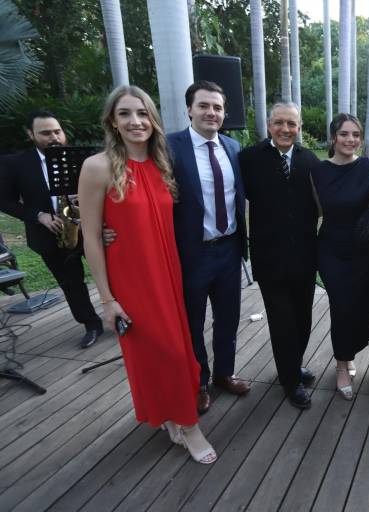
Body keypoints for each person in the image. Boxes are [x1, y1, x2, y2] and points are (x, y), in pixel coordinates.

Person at [78, 85, 216, 464]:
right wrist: (107, 298)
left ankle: (171, 416)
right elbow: (91, 236)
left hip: (170, 273)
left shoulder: (162, 164)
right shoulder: (97, 167)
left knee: (177, 350)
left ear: (153, 120)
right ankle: (189, 426)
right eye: (125, 114)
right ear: (112, 121)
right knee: (166, 353)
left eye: (142, 113)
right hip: (134, 280)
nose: (135, 121)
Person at [166, 81, 250, 414]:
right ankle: (199, 382)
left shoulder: (232, 146)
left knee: (228, 318)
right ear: (189, 109)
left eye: (217, 107)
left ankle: (224, 373)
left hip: (229, 250)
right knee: (193, 322)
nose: (211, 112)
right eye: (203, 106)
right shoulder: (170, 147)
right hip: (192, 253)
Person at [239, 103, 319, 409]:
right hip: (269, 258)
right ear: (268, 124)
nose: (286, 129)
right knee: (282, 321)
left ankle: (293, 365)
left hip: (304, 258)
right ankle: (290, 381)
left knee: (302, 319)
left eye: (292, 124)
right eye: (279, 123)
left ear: (299, 128)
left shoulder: (310, 160)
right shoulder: (248, 159)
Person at [0, 110, 103, 348]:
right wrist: (38, 216)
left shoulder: (82, 158)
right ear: (30, 134)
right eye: (45, 133)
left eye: (57, 131)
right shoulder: (16, 163)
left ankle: (120, 315)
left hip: (89, 228)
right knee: (71, 283)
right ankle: (91, 324)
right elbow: (4, 200)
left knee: (112, 275)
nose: (53, 137)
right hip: (51, 234)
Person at [311, 113, 369, 400]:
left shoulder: (368, 167)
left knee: (359, 306)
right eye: (344, 134)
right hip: (331, 251)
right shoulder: (318, 170)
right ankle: (341, 365)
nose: (350, 140)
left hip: (362, 250)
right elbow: (313, 210)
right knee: (341, 305)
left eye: (355, 135)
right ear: (333, 137)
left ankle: (348, 353)